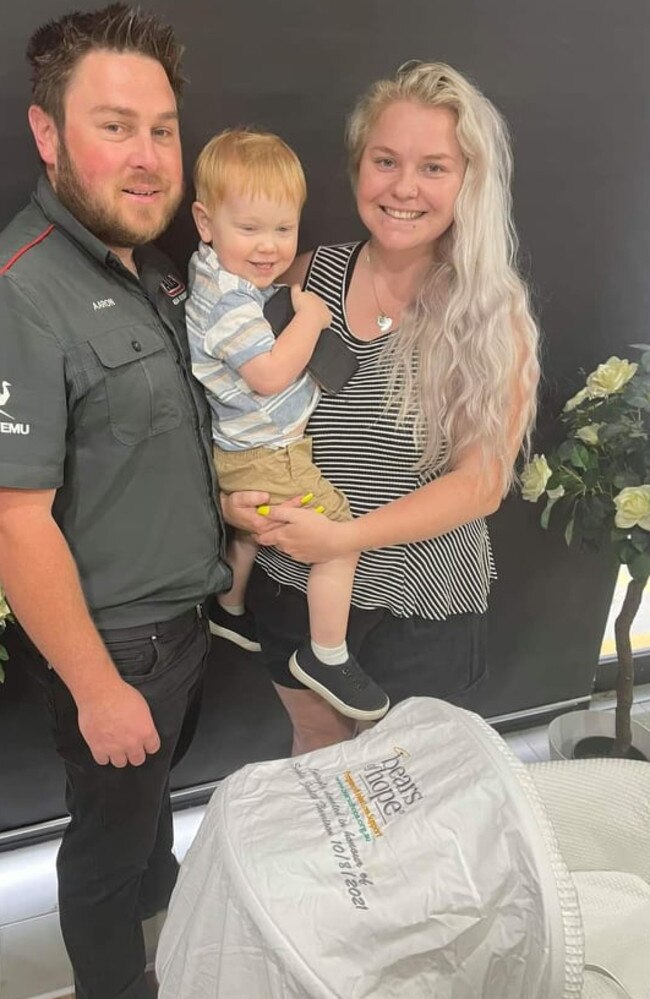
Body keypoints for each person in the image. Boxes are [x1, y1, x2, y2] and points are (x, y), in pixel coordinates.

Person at [0, 6, 231, 998]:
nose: (148, 158)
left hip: (183, 629)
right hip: (116, 649)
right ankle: (114, 983)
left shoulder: (152, 256)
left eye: (161, 128)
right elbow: (13, 519)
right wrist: (98, 690)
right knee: (103, 849)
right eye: (113, 126)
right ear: (47, 134)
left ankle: (161, 894)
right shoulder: (22, 292)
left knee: (145, 815)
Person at [221, 61, 540, 756]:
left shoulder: (490, 313)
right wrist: (238, 504)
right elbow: (252, 417)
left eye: (434, 167)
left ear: (468, 181)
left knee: (404, 783)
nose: (403, 187)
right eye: (385, 160)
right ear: (357, 165)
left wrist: (344, 539)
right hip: (294, 586)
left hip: (420, 606)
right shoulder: (307, 278)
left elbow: (482, 483)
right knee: (317, 750)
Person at [187, 128, 389, 722]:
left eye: (283, 229)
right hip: (269, 452)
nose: (270, 247)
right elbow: (271, 374)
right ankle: (327, 653)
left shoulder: (213, 277)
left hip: (247, 449)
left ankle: (229, 605)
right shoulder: (230, 304)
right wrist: (310, 318)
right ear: (205, 221)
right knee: (337, 537)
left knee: (250, 527)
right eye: (249, 229)